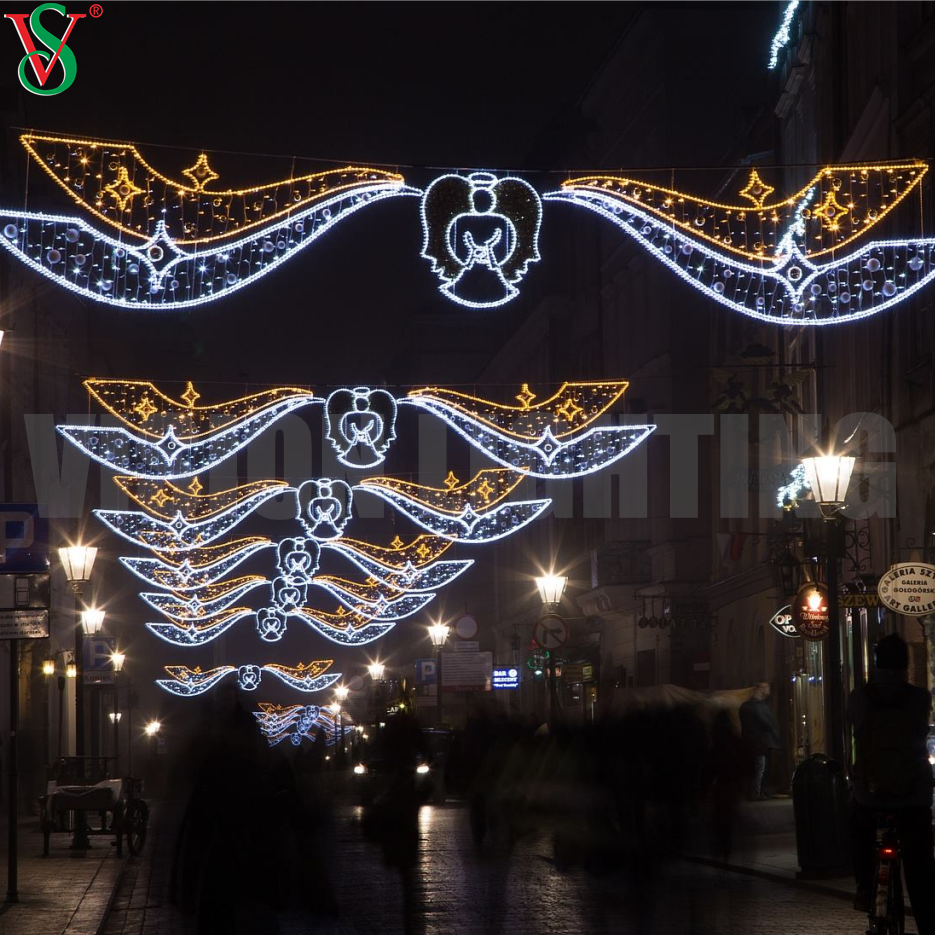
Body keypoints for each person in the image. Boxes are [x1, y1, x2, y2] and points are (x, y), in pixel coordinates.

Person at [847, 633, 934, 932]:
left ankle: (864, 889)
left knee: (859, 830)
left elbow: (854, 731)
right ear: (907, 664)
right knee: (920, 865)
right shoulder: (921, 698)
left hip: (870, 794)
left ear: (876, 663)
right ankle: (926, 918)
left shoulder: (858, 697)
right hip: (913, 795)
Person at [739, 680, 781, 799]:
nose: (768, 690)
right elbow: (768, 724)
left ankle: (755, 792)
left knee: (755, 769)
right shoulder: (759, 706)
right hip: (760, 743)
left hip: (751, 743)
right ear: (760, 689)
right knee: (760, 769)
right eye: (766, 687)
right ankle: (757, 793)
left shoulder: (745, 706)